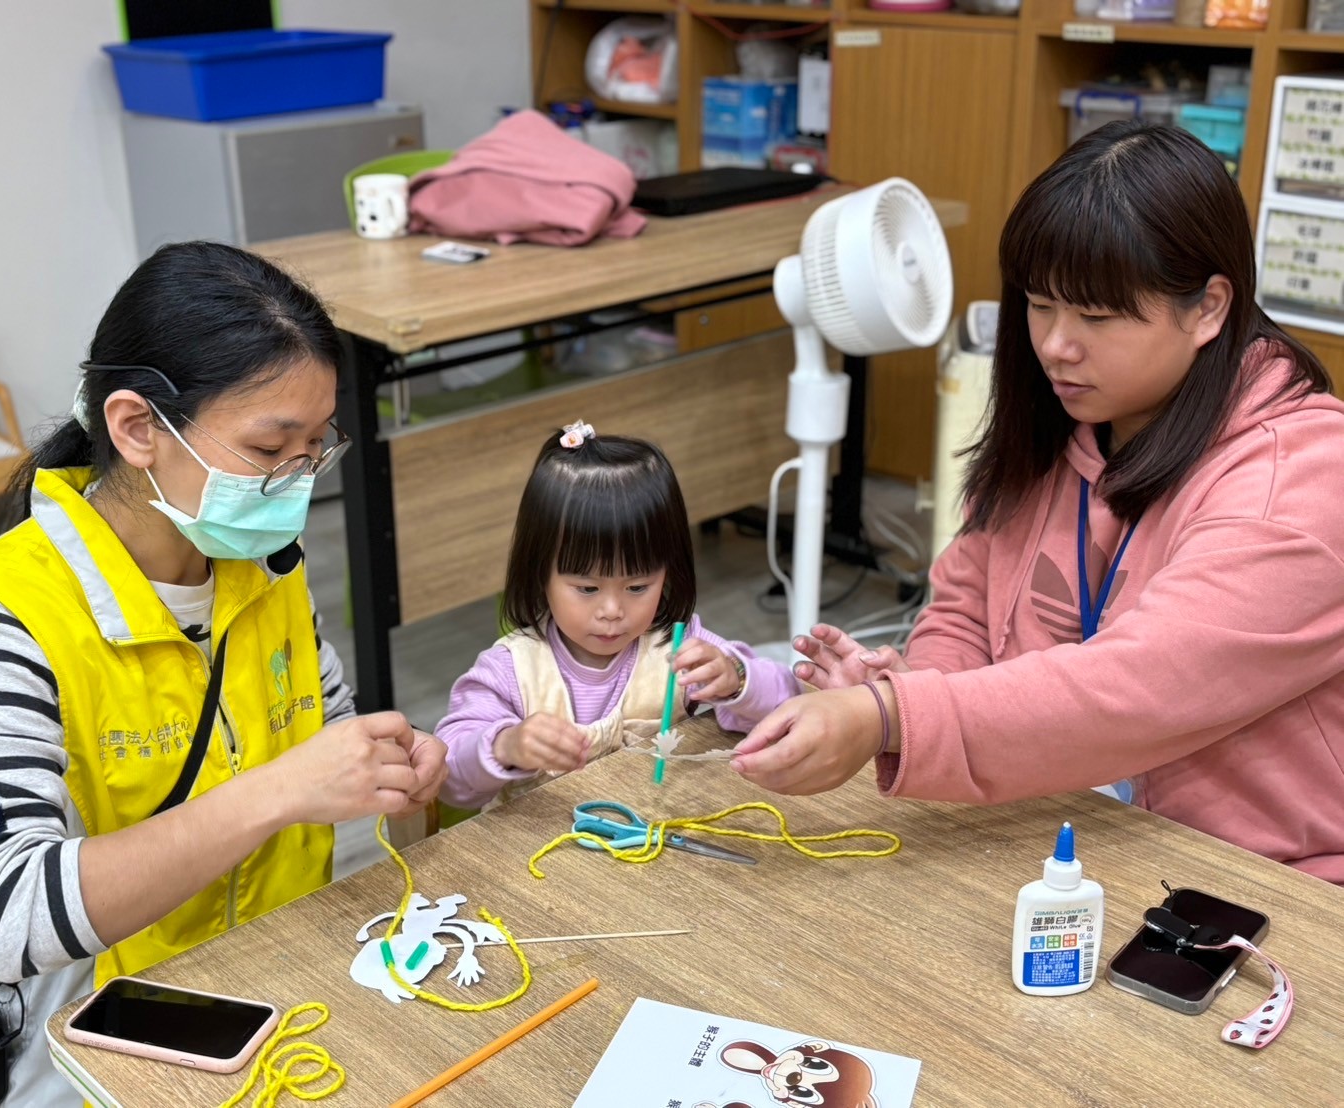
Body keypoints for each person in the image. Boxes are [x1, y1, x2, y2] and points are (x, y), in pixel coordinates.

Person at [733, 122, 1344, 884]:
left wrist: (893, 718)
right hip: (1053, 832)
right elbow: (962, 606)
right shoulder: (1065, 425)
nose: (1055, 345)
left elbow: (1137, 688)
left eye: (1094, 316)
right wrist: (916, 689)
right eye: (1039, 305)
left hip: (1257, 878)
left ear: (1207, 308)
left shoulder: (1304, 480)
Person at [0, 241, 448, 1102]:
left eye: (317, 446)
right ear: (136, 429)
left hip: (269, 998)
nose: (299, 481)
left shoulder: (264, 565)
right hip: (96, 1051)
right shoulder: (1, 620)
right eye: (271, 446)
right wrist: (282, 790)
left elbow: (325, 727)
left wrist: (398, 760)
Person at [436, 422, 800, 809]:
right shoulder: (510, 671)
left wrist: (736, 680)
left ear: (668, 571)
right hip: (542, 859)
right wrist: (505, 745)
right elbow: (450, 780)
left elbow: (788, 705)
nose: (612, 611)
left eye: (638, 587)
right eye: (587, 589)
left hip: (654, 841)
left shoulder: (678, 648)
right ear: (538, 572)